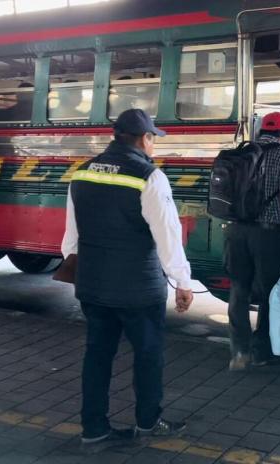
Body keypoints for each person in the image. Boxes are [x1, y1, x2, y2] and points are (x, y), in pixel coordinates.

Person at [61, 108, 194, 452]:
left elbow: (71, 238)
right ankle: (148, 422)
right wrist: (182, 281)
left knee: (97, 356)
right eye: (153, 139)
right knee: (148, 355)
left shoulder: (82, 173)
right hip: (138, 289)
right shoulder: (149, 176)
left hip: (93, 285)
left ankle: (94, 430)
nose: (154, 146)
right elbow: (167, 235)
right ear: (143, 138)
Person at [225, 112, 280, 371]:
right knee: (271, 293)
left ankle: (239, 351)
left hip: (236, 231)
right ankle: (262, 351)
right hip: (267, 234)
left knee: (239, 289)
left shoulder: (244, 152)